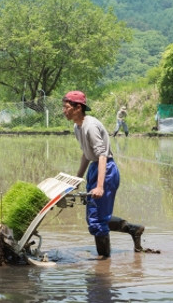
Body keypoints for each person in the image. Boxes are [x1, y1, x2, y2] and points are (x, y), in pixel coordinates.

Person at [62, 91, 145, 257]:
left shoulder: (90, 126)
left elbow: (102, 155)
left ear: (78, 107)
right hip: (95, 168)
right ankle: (133, 229)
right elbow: (87, 153)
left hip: (106, 170)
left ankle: (103, 264)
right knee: (96, 217)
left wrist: (100, 186)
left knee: (96, 220)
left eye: (66, 107)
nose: (64, 111)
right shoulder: (77, 127)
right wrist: (77, 179)